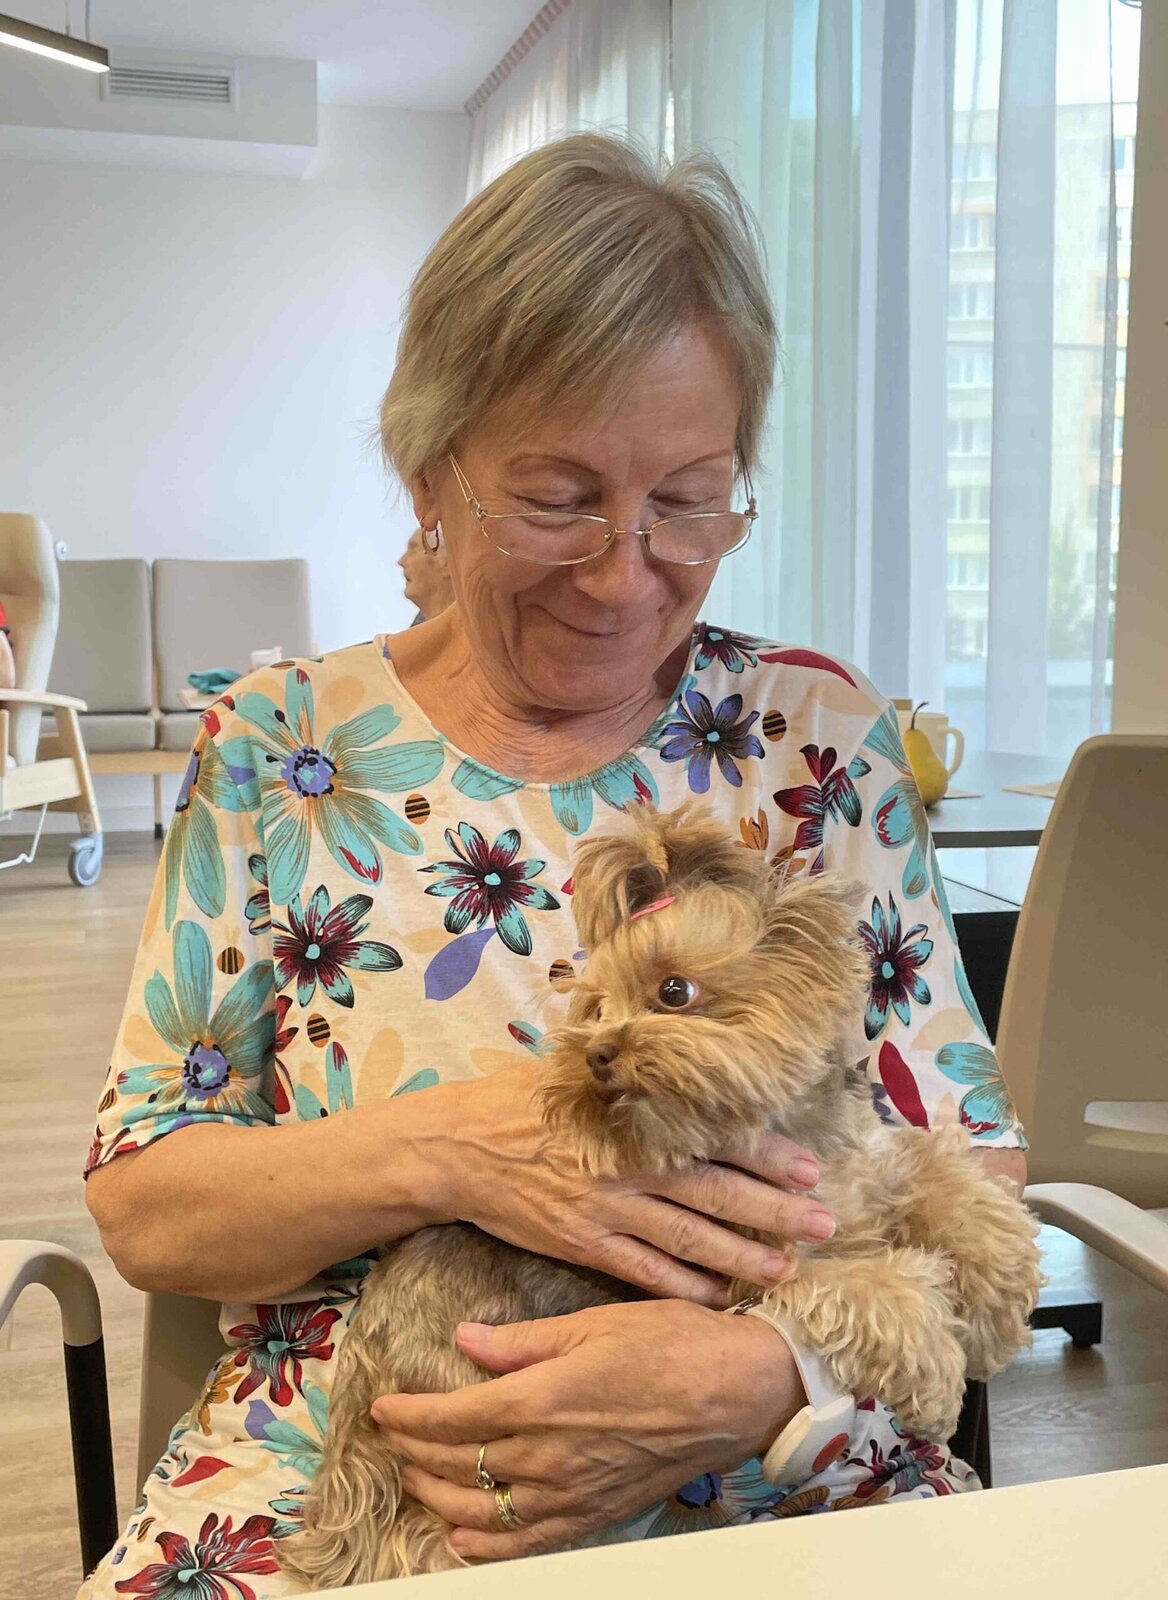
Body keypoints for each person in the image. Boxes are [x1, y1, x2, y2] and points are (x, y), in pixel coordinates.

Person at [81, 134, 1027, 1596]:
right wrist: (452, 1150)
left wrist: (747, 1375)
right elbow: (149, 1207)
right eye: (556, 497)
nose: (623, 570)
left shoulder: (818, 739)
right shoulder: (278, 748)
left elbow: (970, 1174)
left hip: (793, 1449)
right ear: (431, 473)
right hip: (374, 1468)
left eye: (688, 500)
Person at [398, 523, 455, 623]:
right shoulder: (414, 633)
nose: (401, 562)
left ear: (447, 563)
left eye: (414, 549)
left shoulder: (480, 624)